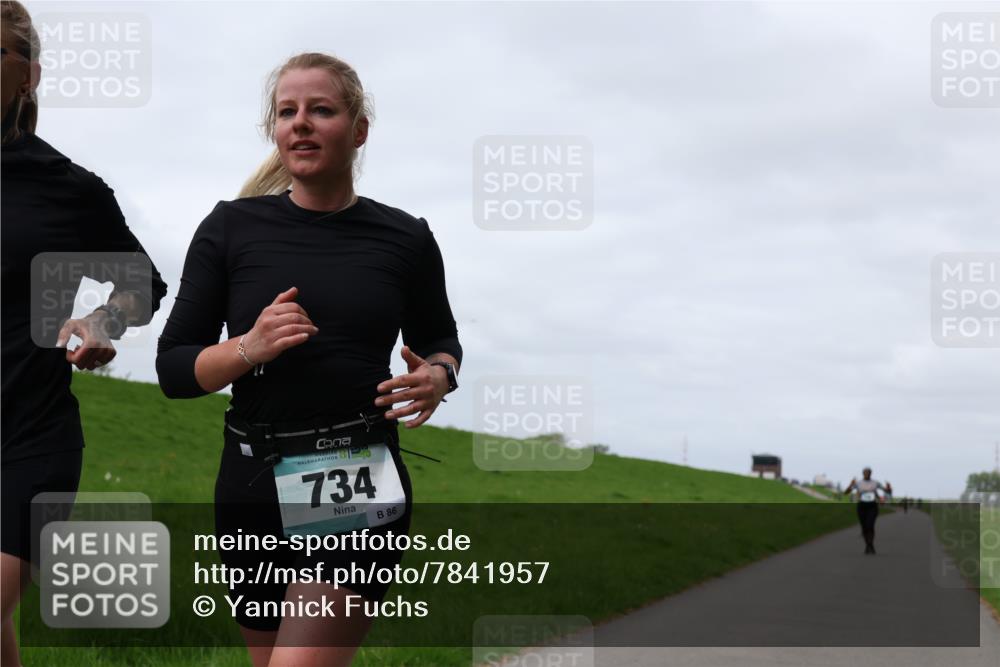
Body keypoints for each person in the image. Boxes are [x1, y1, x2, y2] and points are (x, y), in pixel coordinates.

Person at [156, 52, 462, 667]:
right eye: (286, 112)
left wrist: (437, 376)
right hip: (248, 475)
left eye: (321, 110)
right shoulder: (229, 228)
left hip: (351, 469)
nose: (300, 123)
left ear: (359, 130)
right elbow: (174, 370)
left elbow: (440, 340)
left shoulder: (405, 237)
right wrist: (251, 346)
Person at [1, 2, 167, 664]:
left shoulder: (65, 189)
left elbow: (145, 284)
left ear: (29, 74)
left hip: (26, 437)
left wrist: (100, 323)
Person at [843, 467, 892, 555]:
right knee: (864, 527)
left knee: (870, 525)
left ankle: (870, 545)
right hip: (862, 506)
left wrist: (889, 487)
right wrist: (851, 484)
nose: (867, 474)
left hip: (872, 506)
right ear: (863, 474)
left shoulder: (875, 483)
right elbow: (846, 493)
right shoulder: (858, 483)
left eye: (868, 473)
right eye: (865, 473)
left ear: (871, 473)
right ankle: (868, 545)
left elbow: (887, 491)